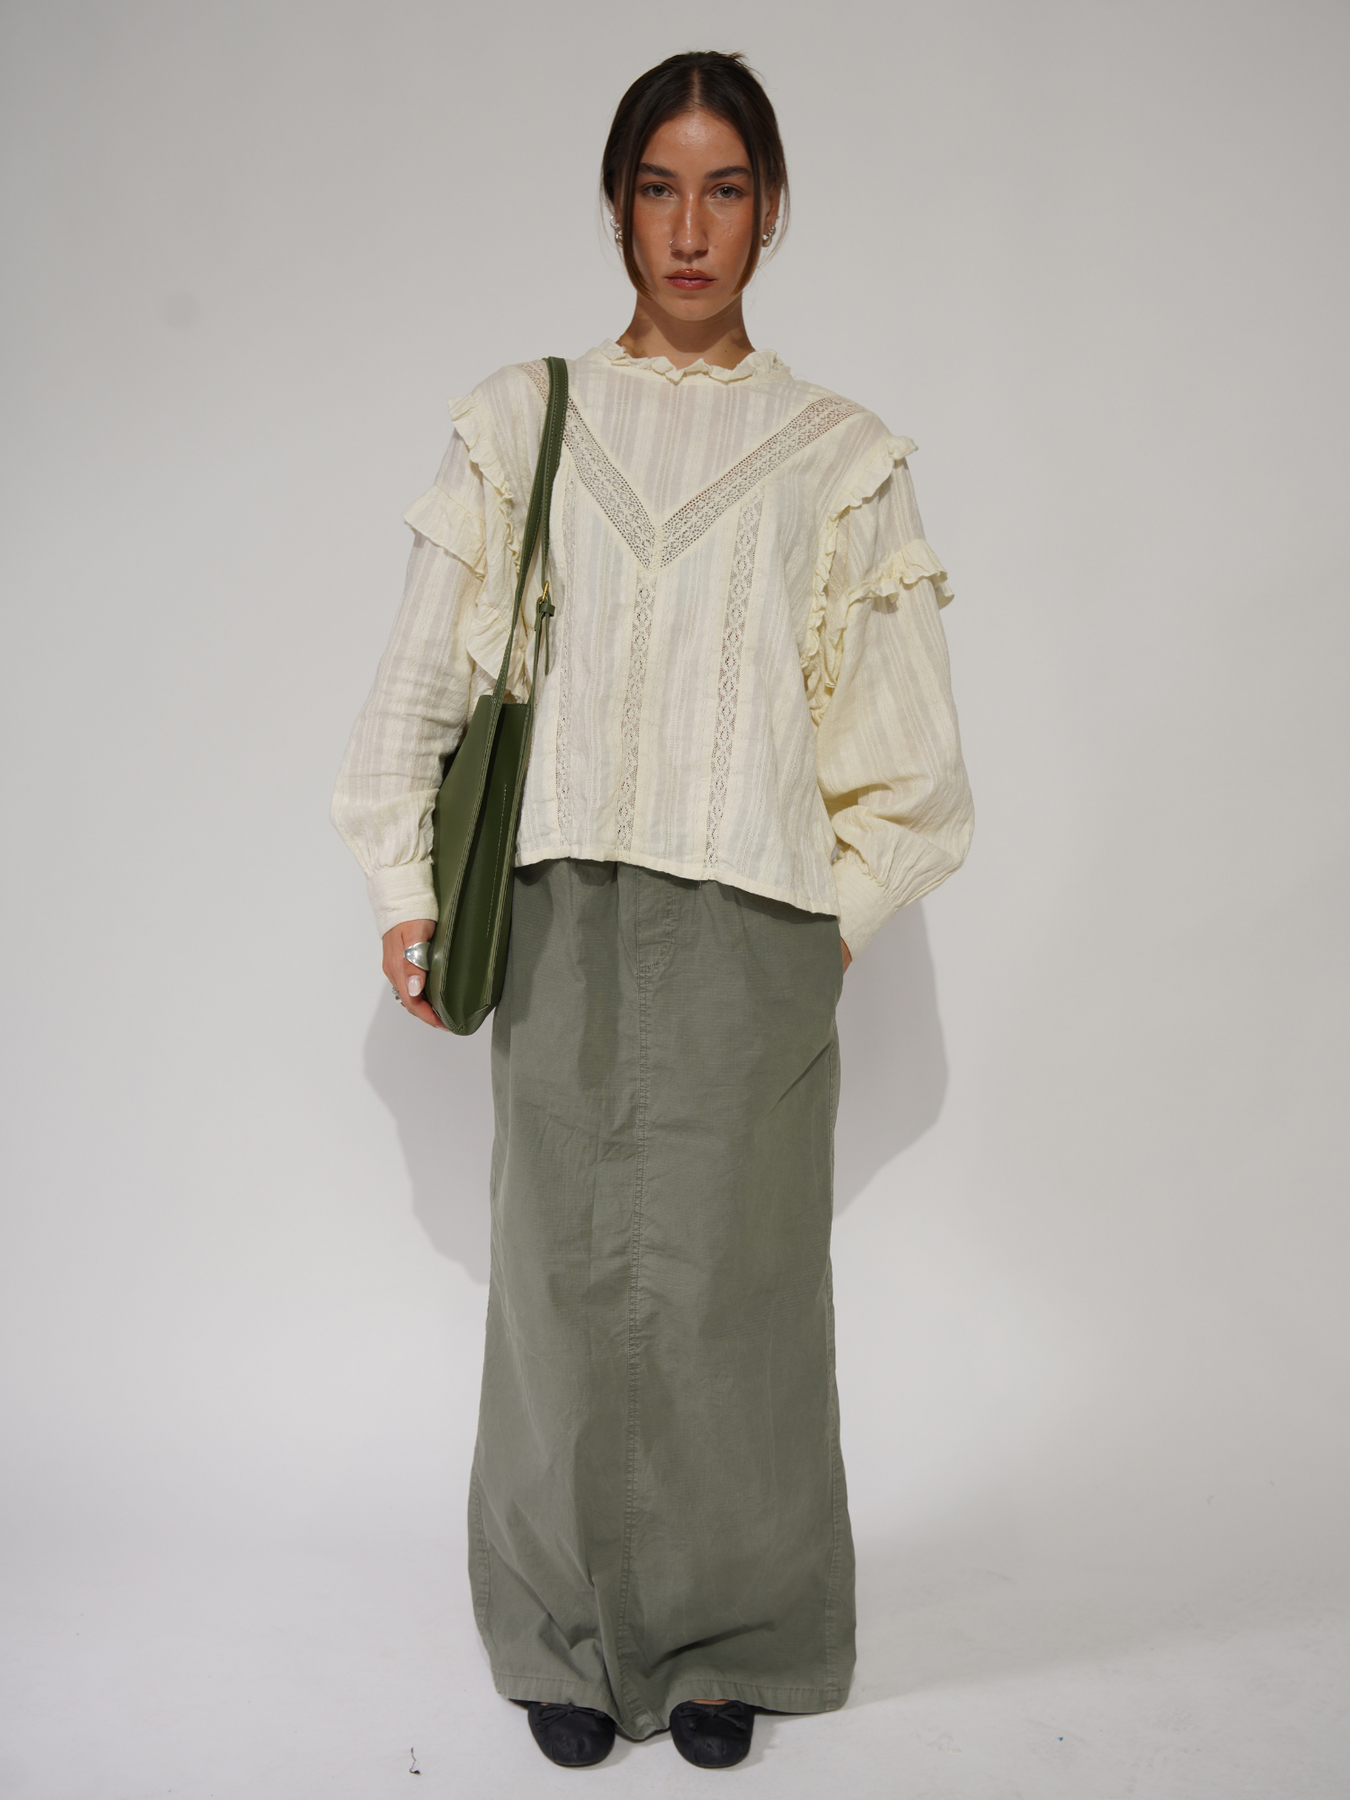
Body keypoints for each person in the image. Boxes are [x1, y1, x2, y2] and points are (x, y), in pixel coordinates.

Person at [332, 49, 973, 1771]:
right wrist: (405, 885)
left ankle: (728, 1646)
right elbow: (419, 676)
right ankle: (557, 1634)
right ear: (617, 207)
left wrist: (820, 934)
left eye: (726, 189)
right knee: (556, 1283)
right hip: (554, 905)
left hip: (753, 925)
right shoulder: (519, 419)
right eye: (658, 188)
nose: (691, 229)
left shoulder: (839, 454)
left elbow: (911, 763)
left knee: (732, 1297)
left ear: (771, 212)